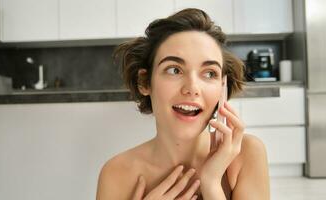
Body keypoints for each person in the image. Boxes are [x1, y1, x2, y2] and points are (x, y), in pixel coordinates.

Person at [97, 8, 269, 200]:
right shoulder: (117, 174)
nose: (192, 88)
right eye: (174, 70)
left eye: (210, 73)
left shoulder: (246, 155)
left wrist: (212, 183)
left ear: (222, 86)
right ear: (145, 82)